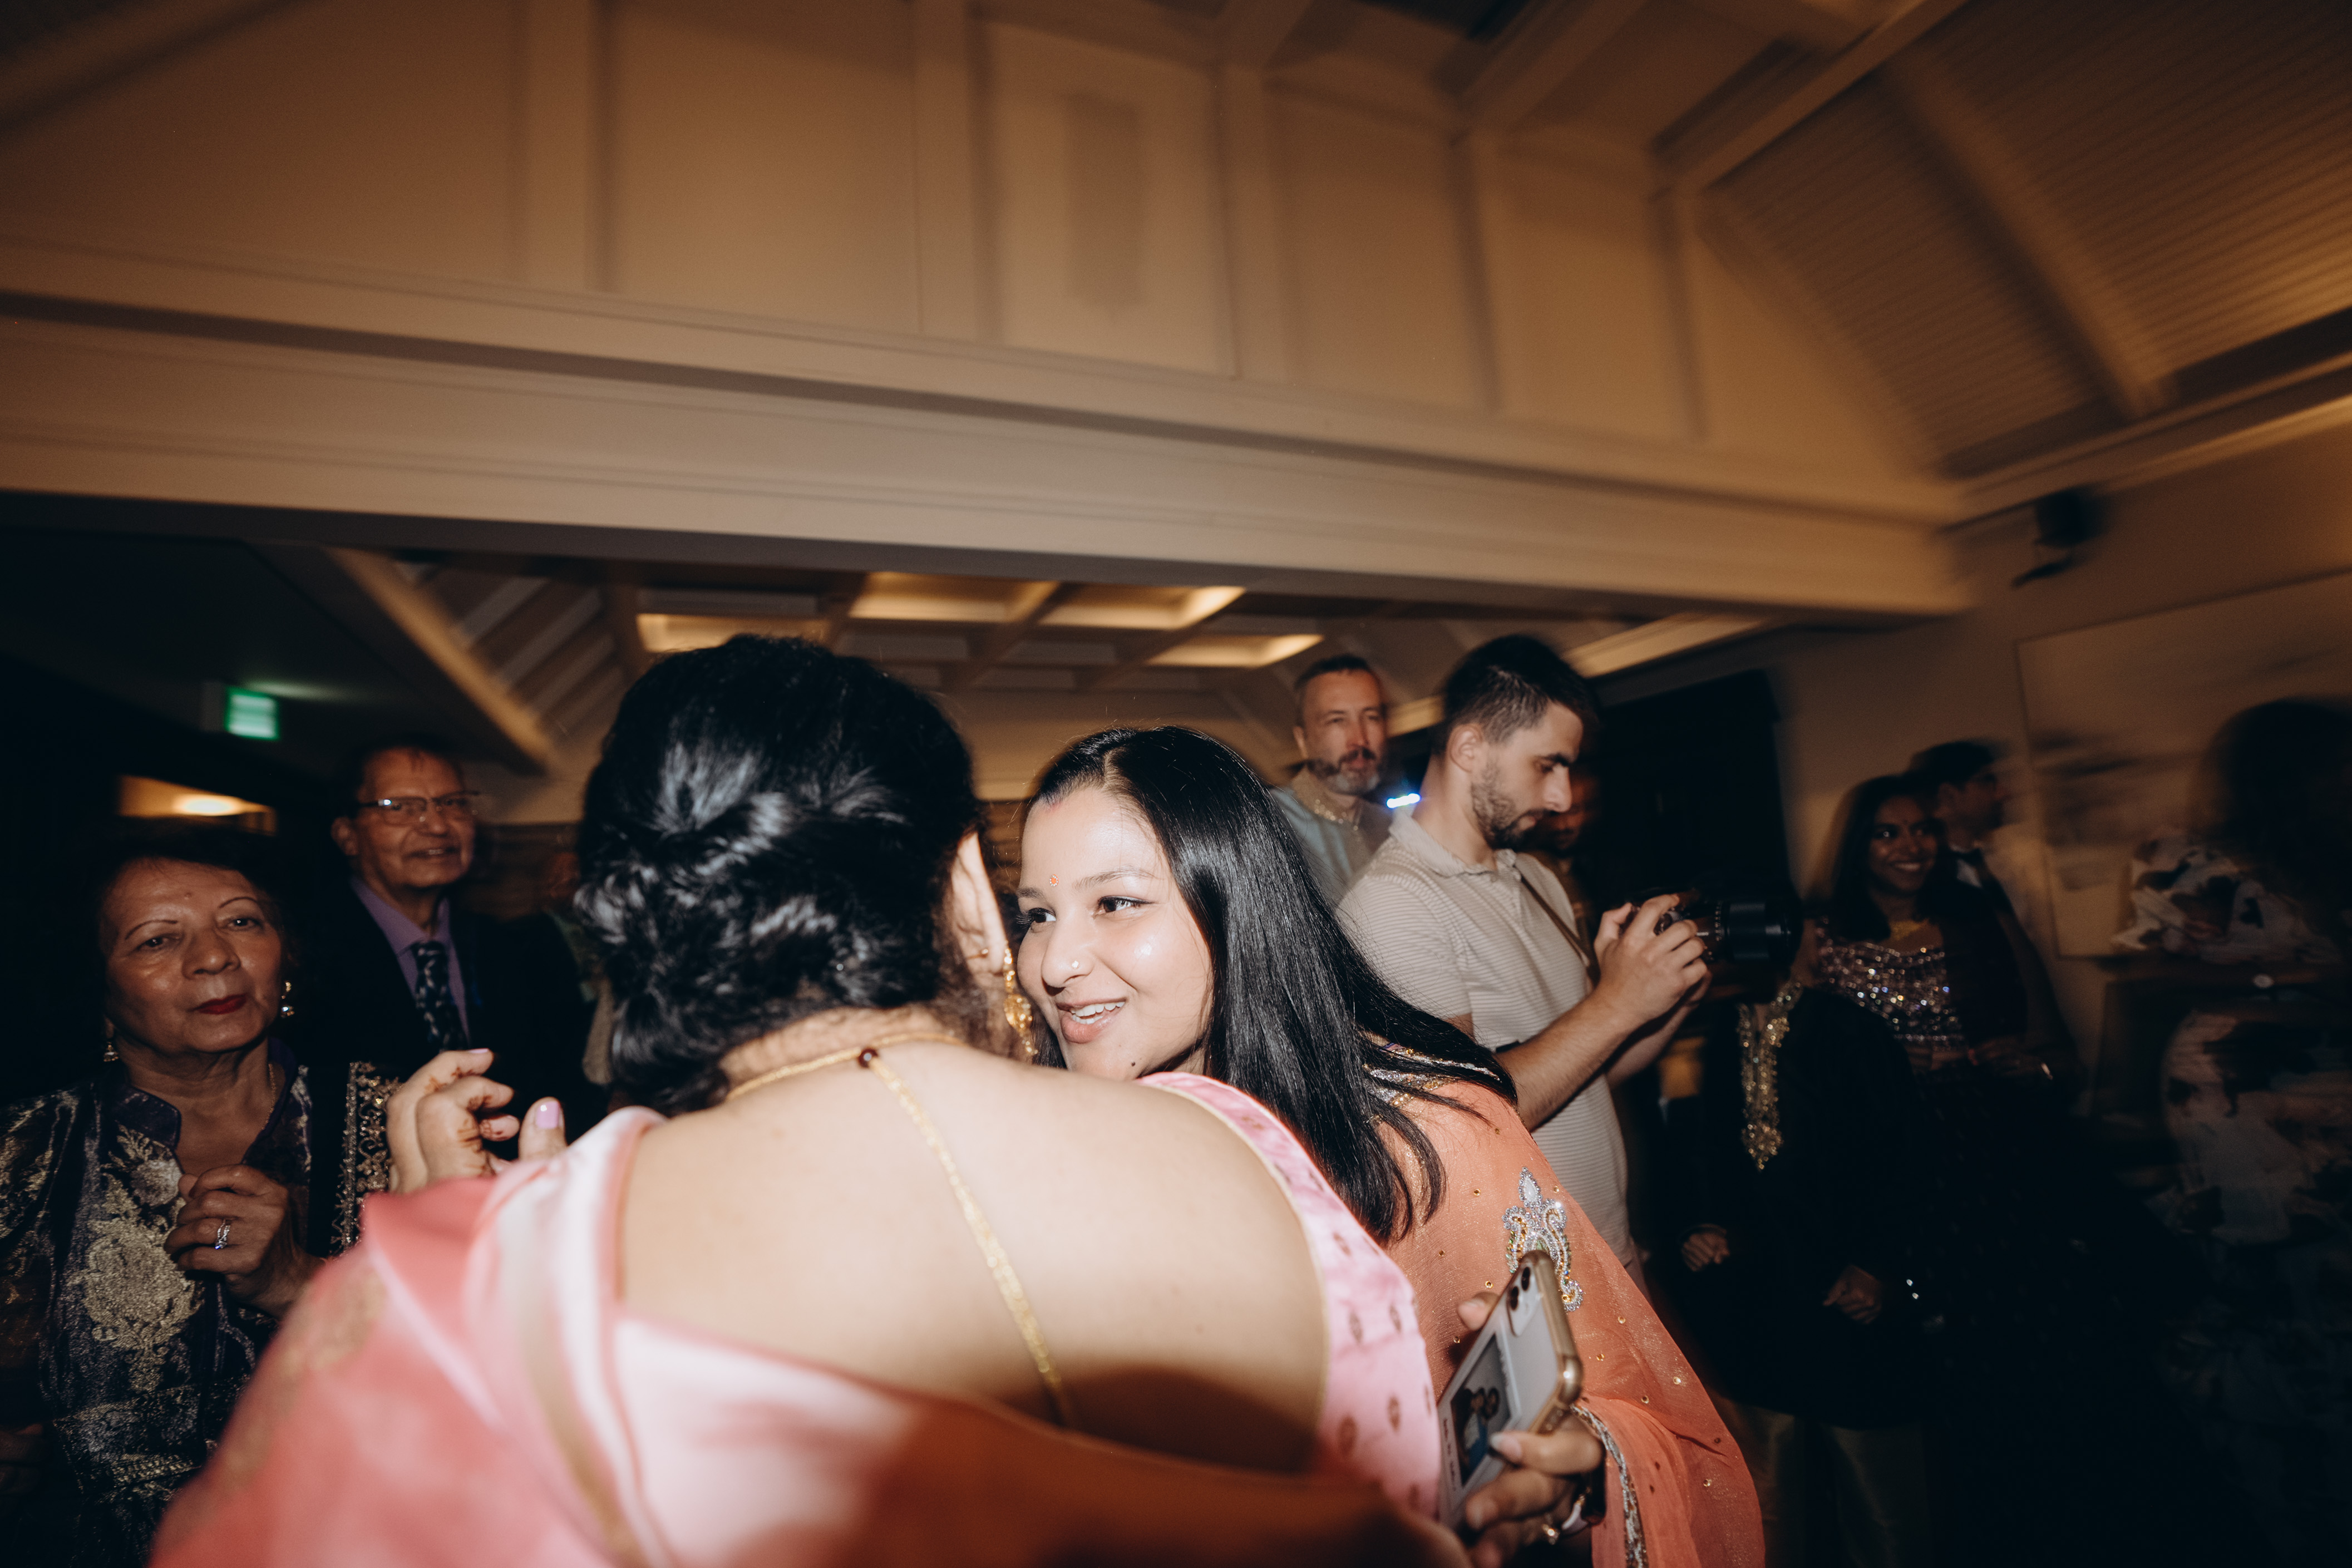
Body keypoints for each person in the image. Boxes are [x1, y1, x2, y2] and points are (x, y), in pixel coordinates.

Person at [152, 636, 1471, 1568]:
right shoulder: (1248, 1147)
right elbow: (1411, 1497)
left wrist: (469, 1270)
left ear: (632, 934)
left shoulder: (496, 1273)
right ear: (966, 886)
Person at [1019, 724, 1762, 1568]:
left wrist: (1568, 1471)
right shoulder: (1054, 1151)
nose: (1055, 962)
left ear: (1237, 903)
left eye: (1115, 903)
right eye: (1037, 914)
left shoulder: (1423, 1136)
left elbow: (1653, 1425)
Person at [0, 831, 525, 1566]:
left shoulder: (408, 1124)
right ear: (98, 988)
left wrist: (298, 1281)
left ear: (286, 954)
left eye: (242, 921)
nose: (215, 957)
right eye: (158, 940)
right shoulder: (24, 1153)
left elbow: (515, 1368)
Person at [1811, 774, 2211, 1567]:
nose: (1911, 846)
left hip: (1998, 1152)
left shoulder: (1976, 918)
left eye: (1922, 828)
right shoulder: (1819, 938)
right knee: (1948, 1356)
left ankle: (2099, 1515)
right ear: (1857, 846)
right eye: (1888, 832)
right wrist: (1879, 1075)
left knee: (2050, 1338)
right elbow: (1805, 1074)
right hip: (1894, 1163)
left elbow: (2058, 1055)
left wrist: (2030, 1066)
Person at [1340, 635, 1709, 1286]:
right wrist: (1617, 1001)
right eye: (1547, 765)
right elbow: (1459, 1118)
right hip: (1529, 1281)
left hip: (1611, 1248)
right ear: (1469, 748)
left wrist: (1661, 993)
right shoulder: (1392, 904)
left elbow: (1589, 1070)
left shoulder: (1537, 877)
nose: (1563, 796)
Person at [2116, 701, 2352, 1565]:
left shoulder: (2329, 848)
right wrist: (2281, 974)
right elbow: (2147, 974)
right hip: (2233, 1083)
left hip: (2333, 1071)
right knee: (2266, 1271)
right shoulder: (2189, 856)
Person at [1666, 956, 1934, 1568]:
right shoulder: (1710, 1031)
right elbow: (1692, 1147)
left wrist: (1878, 1264)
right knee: (1763, 1500)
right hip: (1754, 1297)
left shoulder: (1847, 1028)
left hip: (1847, 1292)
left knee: (1881, 1498)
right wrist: (1699, 1224)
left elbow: (1903, 1151)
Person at [295, 735, 601, 1167]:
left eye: (452, 803)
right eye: (400, 807)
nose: (437, 825)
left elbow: (557, 1082)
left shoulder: (514, 947)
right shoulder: (301, 955)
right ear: (347, 836)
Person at [1273, 654, 1394, 904]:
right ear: (1303, 740)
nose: (1359, 739)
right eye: (1337, 720)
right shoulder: (1267, 824)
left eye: (1371, 717)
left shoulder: (1395, 828)